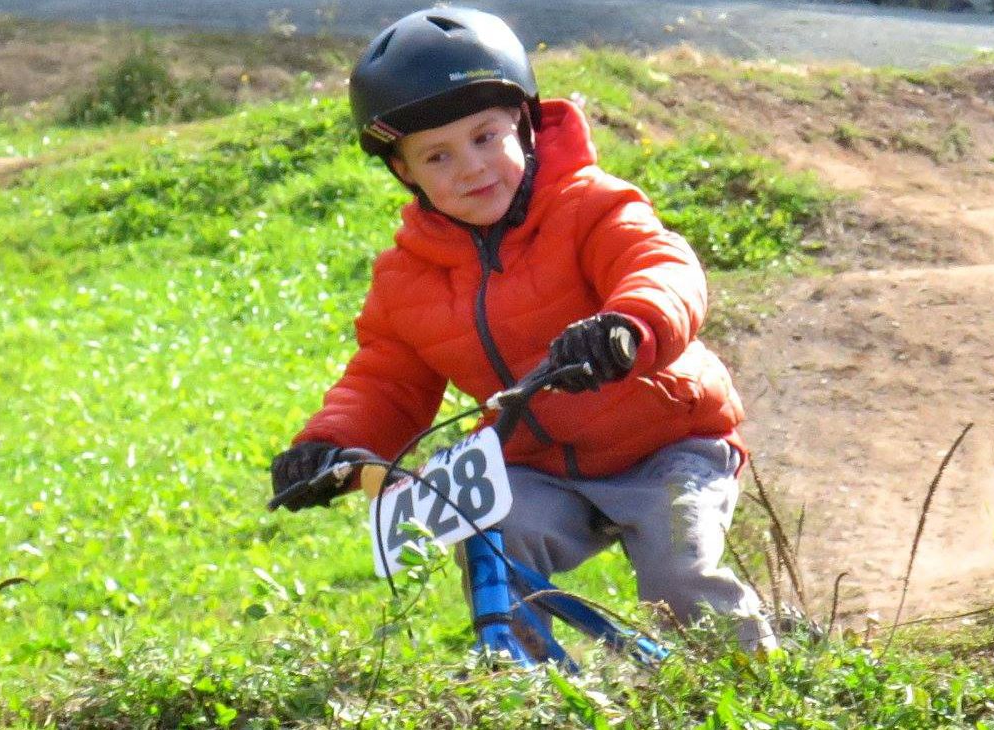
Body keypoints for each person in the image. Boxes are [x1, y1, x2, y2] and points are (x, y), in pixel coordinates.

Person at [267, 6, 775, 653]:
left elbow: (659, 266)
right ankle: (533, 694)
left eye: (485, 137)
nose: (471, 168)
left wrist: (625, 327)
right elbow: (388, 379)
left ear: (525, 126)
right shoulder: (406, 277)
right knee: (494, 543)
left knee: (680, 576)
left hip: (666, 445)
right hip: (534, 465)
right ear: (404, 172)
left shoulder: (590, 205)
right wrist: (331, 445)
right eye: (437, 155)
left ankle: (752, 687)